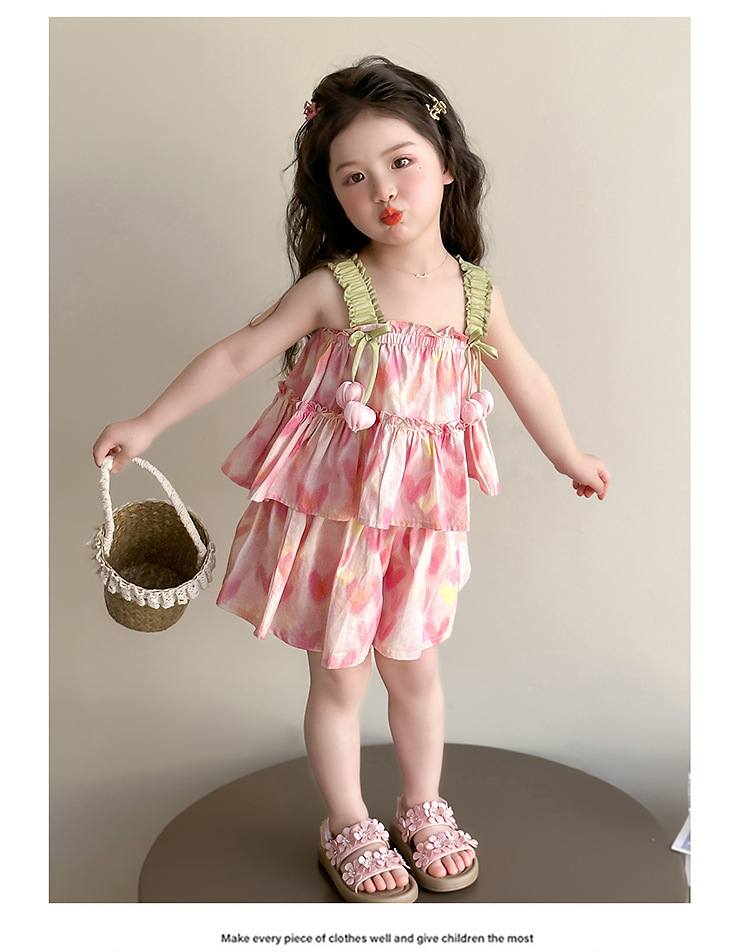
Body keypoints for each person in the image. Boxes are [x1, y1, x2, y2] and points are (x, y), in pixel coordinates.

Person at [93, 55, 610, 903]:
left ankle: (422, 805)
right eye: (354, 177)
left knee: (416, 668)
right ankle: (346, 819)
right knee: (339, 677)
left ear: (447, 164)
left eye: (401, 162)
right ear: (335, 195)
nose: (384, 190)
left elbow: (525, 377)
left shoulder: (475, 295)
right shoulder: (337, 287)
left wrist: (568, 454)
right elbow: (238, 354)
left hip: (420, 527)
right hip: (334, 526)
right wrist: (148, 422)